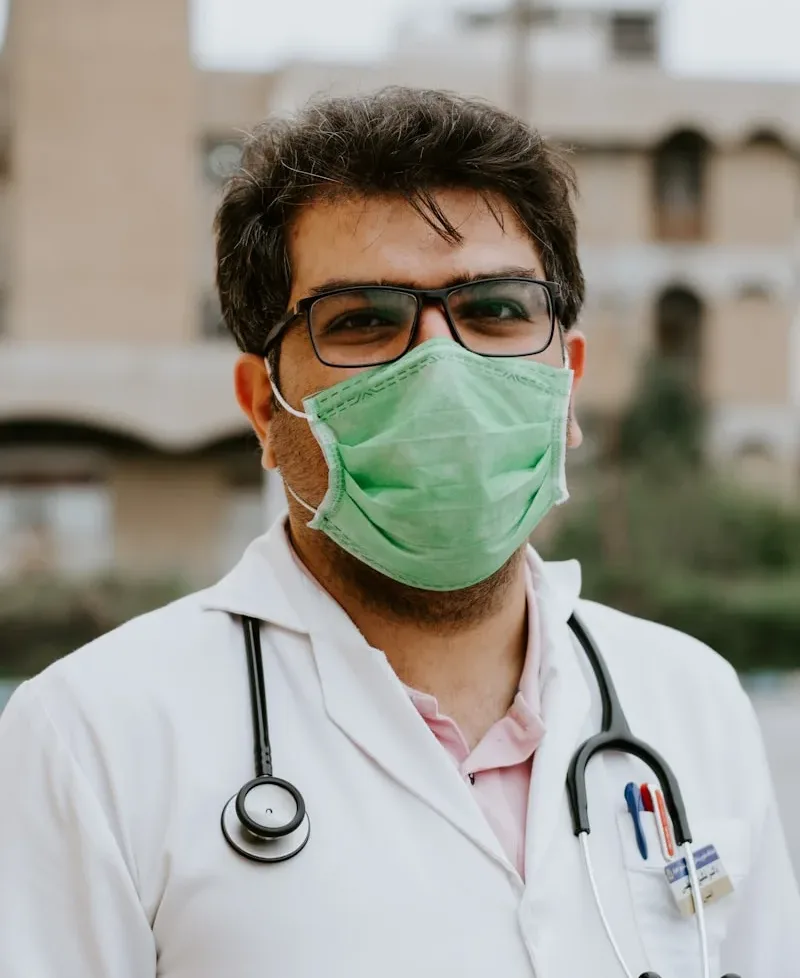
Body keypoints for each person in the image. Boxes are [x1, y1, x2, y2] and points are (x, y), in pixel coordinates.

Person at [0, 87, 797, 978]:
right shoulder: (94, 739)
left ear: (565, 382)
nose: (440, 367)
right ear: (265, 408)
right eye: (364, 322)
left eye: (495, 309)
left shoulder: (692, 701)